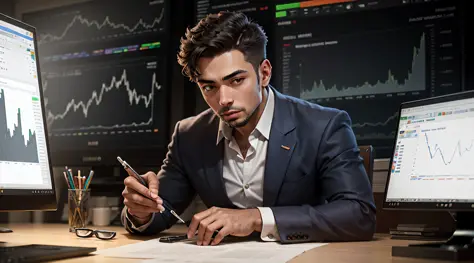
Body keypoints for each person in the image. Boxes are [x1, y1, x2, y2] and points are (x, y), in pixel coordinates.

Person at [121, 11, 376, 246]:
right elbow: (159, 213)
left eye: (236, 80)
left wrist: (256, 218)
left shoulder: (324, 126)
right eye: (209, 87)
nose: (223, 100)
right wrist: (139, 210)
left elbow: (359, 214)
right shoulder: (189, 135)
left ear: (264, 73)